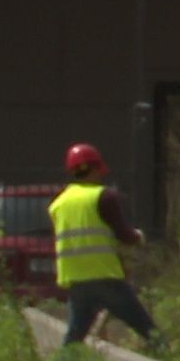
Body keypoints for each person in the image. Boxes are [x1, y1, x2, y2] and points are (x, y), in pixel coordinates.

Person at [49, 142, 158, 347]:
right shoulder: (103, 197)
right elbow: (123, 235)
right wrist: (138, 237)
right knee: (147, 329)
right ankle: (166, 359)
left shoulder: (58, 204)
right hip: (105, 278)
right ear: (94, 168)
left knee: (73, 339)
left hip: (76, 281)